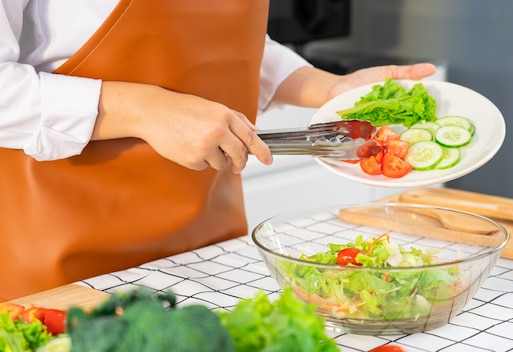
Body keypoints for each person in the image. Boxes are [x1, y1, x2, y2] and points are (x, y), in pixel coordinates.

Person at [0, 0, 436, 300]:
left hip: (207, 245)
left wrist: (327, 88)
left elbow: (208, 31)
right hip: (60, 244)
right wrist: (144, 110)